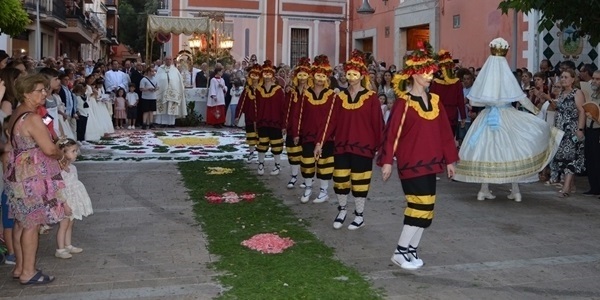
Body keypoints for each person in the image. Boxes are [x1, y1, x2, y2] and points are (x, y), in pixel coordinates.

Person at [377, 41, 458, 270]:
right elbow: (391, 133)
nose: (430, 76)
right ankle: (400, 251)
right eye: (425, 73)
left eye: (432, 72)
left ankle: (411, 249)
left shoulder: (435, 101)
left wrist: (450, 159)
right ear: (413, 74)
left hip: (432, 164)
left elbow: (445, 133)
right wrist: (386, 162)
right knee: (418, 207)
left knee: (427, 208)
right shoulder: (404, 103)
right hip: (411, 163)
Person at [453, 38, 564, 202]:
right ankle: (515, 190)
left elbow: (473, 101)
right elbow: (521, 98)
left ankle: (483, 190)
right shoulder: (507, 77)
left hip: (487, 117)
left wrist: (490, 103)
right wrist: (535, 111)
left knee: (486, 153)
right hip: (507, 116)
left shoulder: (486, 77)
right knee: (512, 151)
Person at [4, 73, 71, 285]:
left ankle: (20, 267)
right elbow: (50, 148)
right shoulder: (32, 118)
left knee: (22, 223)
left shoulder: (17, 113)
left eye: (45, 89)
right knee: (31, 224)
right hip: (32, 177)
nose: (45, 93)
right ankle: (29, 272)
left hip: (19, 175)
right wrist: (62, 156)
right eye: (40, 90)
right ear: (26, 93)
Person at [314, 50, 383, 230]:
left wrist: (380, 148)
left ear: (362, 75)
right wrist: (320, 142)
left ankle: (359, 215)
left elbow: (378, 123)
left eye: (355, 74)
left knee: (360, 182)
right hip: (342, 146)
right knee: (341, 179)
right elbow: (329, 122)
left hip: (363, 147)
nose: (351, 77)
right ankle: (342, 209)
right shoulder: (339, 97)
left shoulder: (371, 98)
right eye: (349, 74)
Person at [293, 55, 336, 203]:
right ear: (313, 75)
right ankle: (308, 188)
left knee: (325, 163)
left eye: (323, 76)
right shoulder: (306, 93)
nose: (320, 78)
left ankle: (324, 191)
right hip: (308, 134)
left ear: (326, 77)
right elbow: (299, 114)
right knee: (307, 162)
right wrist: (297, 132)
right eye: (318, 75)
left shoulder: (332, 95)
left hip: (326, 136)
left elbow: (333, 118)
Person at [549, 68, 586, 198]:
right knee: (563, 158)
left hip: (572, 130)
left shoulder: (577, 93)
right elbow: (558, 111)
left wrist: (580, 130)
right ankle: (570, 185)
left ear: (572, 79)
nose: (563, 79)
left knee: (571, 158)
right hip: (561, 131)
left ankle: (565, 188)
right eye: (562, 77)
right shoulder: (562, 93)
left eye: (565, 77)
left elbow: (582, 111)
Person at [54, 138, 92, 259]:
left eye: (76, 150)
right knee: (64, 224)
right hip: (64, 201)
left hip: (72, 199)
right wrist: (64, 204)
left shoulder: (73, 168)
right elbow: (58, 189)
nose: (76, 153)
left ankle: (68, 244)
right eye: (73, 151)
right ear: (63, 153)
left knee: (71, 223)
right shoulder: (58, 170)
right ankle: (60, 249)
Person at [284, 57, 311, 189]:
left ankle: (306, 179)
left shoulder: (311, 93)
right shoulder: (291, 92)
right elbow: (287, 109)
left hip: (306, 127)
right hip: (292, 126)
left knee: (305, 154)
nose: (302, 78)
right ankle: (294, 176)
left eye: (304, 75)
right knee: (292, 152)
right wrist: (285, 125)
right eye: (299, 75)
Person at [255, 60, 285, 175]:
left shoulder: (278, 90)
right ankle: (261, 163)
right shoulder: (259, 89)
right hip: (262, 121)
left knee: (276, 144)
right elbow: (257, 106)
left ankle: (277, 165)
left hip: (275, 121)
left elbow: (283, 108)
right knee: (262, 143)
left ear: (273, 75)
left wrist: (283, 124)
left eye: (269, 74)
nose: (267, 76)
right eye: (265, 74)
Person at [235, 64, 261, 163]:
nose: (254, 79)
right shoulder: (247, 90)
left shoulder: (262, 90)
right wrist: (238, 115)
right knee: (251, 135)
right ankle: (251, 152)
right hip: (250, 116)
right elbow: (241, 103)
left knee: (259, 136)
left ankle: (260, 155)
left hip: (259, 117)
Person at [155, 56, 186, 127]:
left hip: (173, 92)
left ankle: (171, 123)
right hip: (162, 91)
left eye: (170, 59)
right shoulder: (160, 69)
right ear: (164, 60)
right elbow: (157, 79)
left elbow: (179, 80)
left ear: (172, 60)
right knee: (163, 106)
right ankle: (162, 123)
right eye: (167, 59)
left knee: (171, 107)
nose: (168, 61)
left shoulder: (175, 70)